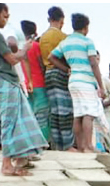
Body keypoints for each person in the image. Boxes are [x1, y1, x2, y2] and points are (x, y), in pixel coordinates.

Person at [0, 3, 47, 175]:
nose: (7, 19)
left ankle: (20, 158)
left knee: (21, 120)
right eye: (4, 16)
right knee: (10, 121)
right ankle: (6, 163)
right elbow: (12, 58)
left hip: (8, 81)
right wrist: (24, 48)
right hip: (4, 81)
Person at [48, 14, 103, 155]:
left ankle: (81, 146)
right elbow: (93, 63)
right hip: (85, 80)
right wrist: (101, 85)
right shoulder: (87, 42)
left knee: (78, 114)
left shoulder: (66, 42)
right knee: (88, 114)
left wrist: (66, 69)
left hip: (73, 81)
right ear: (85, 27)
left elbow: (51, 57)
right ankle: (89, 146)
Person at [39, 5, 70, 150]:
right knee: (65, 111)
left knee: (55, 112)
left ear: (48, 19)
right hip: (60, 74)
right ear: (62, 20)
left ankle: (57, 145)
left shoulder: (43, 37)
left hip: (47, 74)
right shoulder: (62, 37)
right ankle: (67, 145)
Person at [20, 19, 49, 143]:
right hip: (39, 84)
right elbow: (41, 64)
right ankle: (42, 142)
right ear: (34, 33)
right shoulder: (35, 46)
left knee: (28, 115)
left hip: (24, 85)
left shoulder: (19, 48)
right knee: (42, 115)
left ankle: (29, 142)